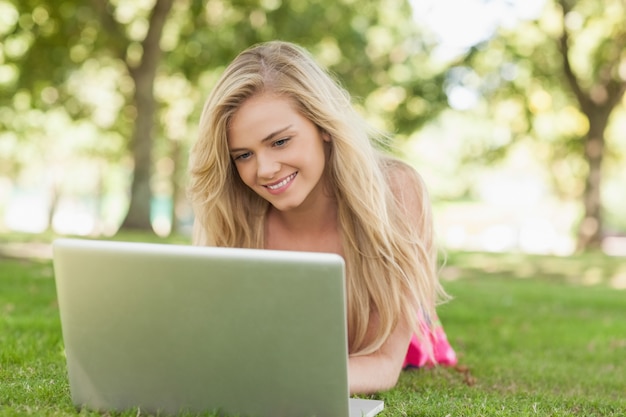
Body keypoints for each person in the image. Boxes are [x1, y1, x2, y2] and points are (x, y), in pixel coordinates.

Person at [188, 40, 457, 394]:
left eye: (280, 142)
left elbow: (383, 364)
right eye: (243, 155)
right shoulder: (234, 215)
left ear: (324, 126)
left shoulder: (394, 192)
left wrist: (274, 381)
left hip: (403, 348)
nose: (264, 170)